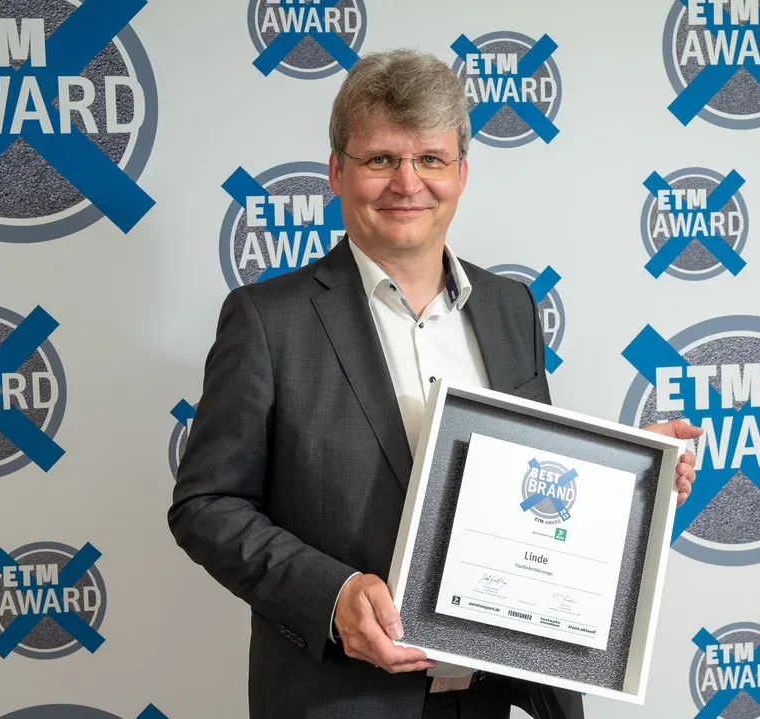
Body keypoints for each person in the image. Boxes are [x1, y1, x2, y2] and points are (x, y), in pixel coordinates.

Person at [168, 49, 701, 719]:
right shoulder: (269, 320)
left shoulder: (510, 308)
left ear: (461, 173)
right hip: (344, 700)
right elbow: (207, 504)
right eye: (380, 159)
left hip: (488, 699)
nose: (407, 183)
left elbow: (527, 481)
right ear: (336, 171)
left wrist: (625, 473)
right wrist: (332, 596)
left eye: (430, 159)